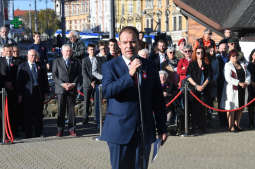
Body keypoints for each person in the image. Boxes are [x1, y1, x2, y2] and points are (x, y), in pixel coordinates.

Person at [100, 26, 167, 169]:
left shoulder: (150, 66)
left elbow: (158, 100)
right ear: (119, 44)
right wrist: (129, 75)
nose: (129, 46)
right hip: (119, 133)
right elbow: (107, 91)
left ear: (139, 42)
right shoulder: (110, 66)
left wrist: (162, 128)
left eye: (132, 42)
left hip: (144, 132)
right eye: (125, 42)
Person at [16, 49, 49, 138]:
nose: (33, 57)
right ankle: (28, 133)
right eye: (31, 55)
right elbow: (19, 82)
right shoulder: (22, 66)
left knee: (38, 114)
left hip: (38, 92)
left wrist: (46, 92)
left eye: (35, 55)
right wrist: (19, 94)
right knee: (28, 114)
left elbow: (45, 80)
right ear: (28, 56)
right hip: (27, 93)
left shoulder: (40, 66)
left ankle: (39, 132)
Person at [52, 44, 81, 137]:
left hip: (72, 89)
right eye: (66, 51)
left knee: (71, 111)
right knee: (61, 110)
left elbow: (79, 74)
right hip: (61, 89)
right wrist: (62, 84)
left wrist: (73, 84)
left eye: (70, 51)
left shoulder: (75, 61)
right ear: (62, 52)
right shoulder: (57, 61)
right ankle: (60, 130)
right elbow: (54, 75)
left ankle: (72, 129)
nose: (68, 53)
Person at [220, 49, 250, 132]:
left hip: (242, 89)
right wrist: (238, 83)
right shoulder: (227, 65)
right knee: (232, 108)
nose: (235, 57)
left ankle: (237, 124)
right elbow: (228, 78)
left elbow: (248, 74)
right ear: (230, 57)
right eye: (233, 56)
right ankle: (231, 126)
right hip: (232, 90)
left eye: (236, 55)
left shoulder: (242, 64)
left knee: (240, 107)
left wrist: (247, 82)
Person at [187, 46, 211, 134]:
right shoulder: (192, 64)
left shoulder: (207, 63)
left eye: (201, 52)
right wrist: (196, 85)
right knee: (194, 109)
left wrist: (203, 86)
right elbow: (188, 76)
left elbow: (209, 77)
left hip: (204, 89)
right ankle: (194, 127)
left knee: (203, 109)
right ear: (195, 54)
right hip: (194, 90)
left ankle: (202, 127)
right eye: (198, 53)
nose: (200, 54)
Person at [0, 44, 20, 136]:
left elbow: (20, 77)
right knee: (2, 113)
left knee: (14, 112)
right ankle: (3, 133)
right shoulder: (0, 61)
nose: (8, 53)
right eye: (7, 51)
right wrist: (4, 83)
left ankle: (13, 132)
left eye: (10, 51)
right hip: (2, 91)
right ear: (3, 52)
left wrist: (13, 85)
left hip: (14, 91)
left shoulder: (18, 62)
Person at [82, 44, 103, 127]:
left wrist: (95, 81)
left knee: (96, 101)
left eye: (93, 49)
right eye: (90, 49)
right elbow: (84, 72)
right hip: (87, 84)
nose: (92, 51)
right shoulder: (84, 60)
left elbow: (99, 72)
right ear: (88, 51)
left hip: (96, 83)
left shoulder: (98, 59)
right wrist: (90, 82)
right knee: (86, 101)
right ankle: (85, 118)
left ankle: (96, 118)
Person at [216, 41, 229, 128]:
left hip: (228, 83)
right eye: (222, 48)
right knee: (221, 102)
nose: (223, 50)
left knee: (228, 102)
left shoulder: (229, 57)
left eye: (225, 48)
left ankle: (229, 120)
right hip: (220, 82)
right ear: (219, 49)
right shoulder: (217, 58)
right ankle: (222, 121)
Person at [247, 49, 255, 129]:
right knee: (251, 106)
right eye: (254, 54)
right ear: (252, 56)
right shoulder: (250, 65)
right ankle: (251, 122)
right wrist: (252, 83)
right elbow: (249, 75)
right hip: (252, 87)